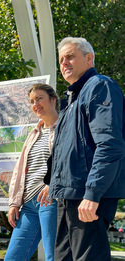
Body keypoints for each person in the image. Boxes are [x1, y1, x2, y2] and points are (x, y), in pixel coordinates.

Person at [49, 37, 125, 260]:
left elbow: (110, 144)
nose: (64, 63)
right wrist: (52, 186)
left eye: (70, 56)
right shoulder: (71, 100)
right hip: (67, 196)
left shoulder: (100, 86)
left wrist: (93, 193)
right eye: (61, 59)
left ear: (89, 58)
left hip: (87, 196)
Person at [4, 83, 59, 261]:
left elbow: (68, 162)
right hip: (28, 204)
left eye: (39, 98)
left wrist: (53, 184)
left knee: (54, 256)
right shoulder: (34, 133)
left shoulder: (64, 129)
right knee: (13, 257)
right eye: (32, 101)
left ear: (53, 100)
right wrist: (14, 202)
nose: (35, 104)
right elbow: (20, 170)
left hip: (50, 199)